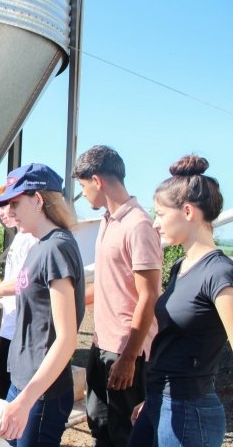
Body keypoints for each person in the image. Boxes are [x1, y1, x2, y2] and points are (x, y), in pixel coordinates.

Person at [128, 155, 233, 447]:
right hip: (160, 402)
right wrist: (153, 399)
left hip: (190, 412)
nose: (155, 224)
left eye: (160, 214)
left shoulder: (220, 273)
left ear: (187, 212)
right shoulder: (181, 266)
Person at [0, 164, 85, 446]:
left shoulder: (56, 247)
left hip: (40, 393)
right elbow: (21, 288)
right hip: (25, 383)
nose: (9, 210)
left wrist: (25, 400)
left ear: (39, 200)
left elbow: (66, 339)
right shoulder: (40, 244)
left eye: (15, 202)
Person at [71, 146, 162, 447]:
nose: (83, 194)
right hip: (102, 345)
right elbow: (109, 286)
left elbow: (148, 296)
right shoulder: (108, 221)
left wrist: (128, 358)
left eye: (83, 186)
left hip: (127, 351)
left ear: (97, 181)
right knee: (100, 427)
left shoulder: (138, 225)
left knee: (127, 435)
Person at [0, 185, 37, 400]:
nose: (1, 213)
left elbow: (22, 283)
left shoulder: (31, 238)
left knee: (9, 396)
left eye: (7, 205)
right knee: (1, 393)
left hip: (20, 332)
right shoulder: (20, 237)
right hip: (9, 330)